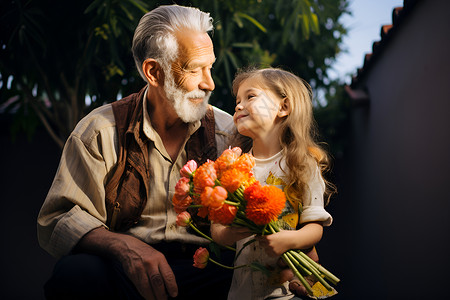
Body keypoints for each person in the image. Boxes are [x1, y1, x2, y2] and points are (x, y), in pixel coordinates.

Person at [37, 5, 235, 300]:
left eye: (210, 67)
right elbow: (58, 217)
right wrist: (123, 246)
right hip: (126, 271)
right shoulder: (100, 130)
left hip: (208, 266)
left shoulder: (228, 132)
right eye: (195, 69)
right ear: (153, 72)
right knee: (75, 273)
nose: (210, 83)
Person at [211, 67, 334, 300]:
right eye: (237, 101)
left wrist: (289, 240)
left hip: (288, 291)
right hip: (242, 293)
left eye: (250, 96)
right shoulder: (234, 167)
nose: (238, 106)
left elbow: (315, 228)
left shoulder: (302, 164)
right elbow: (216, 229)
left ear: (283, 107)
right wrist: (231, 232)